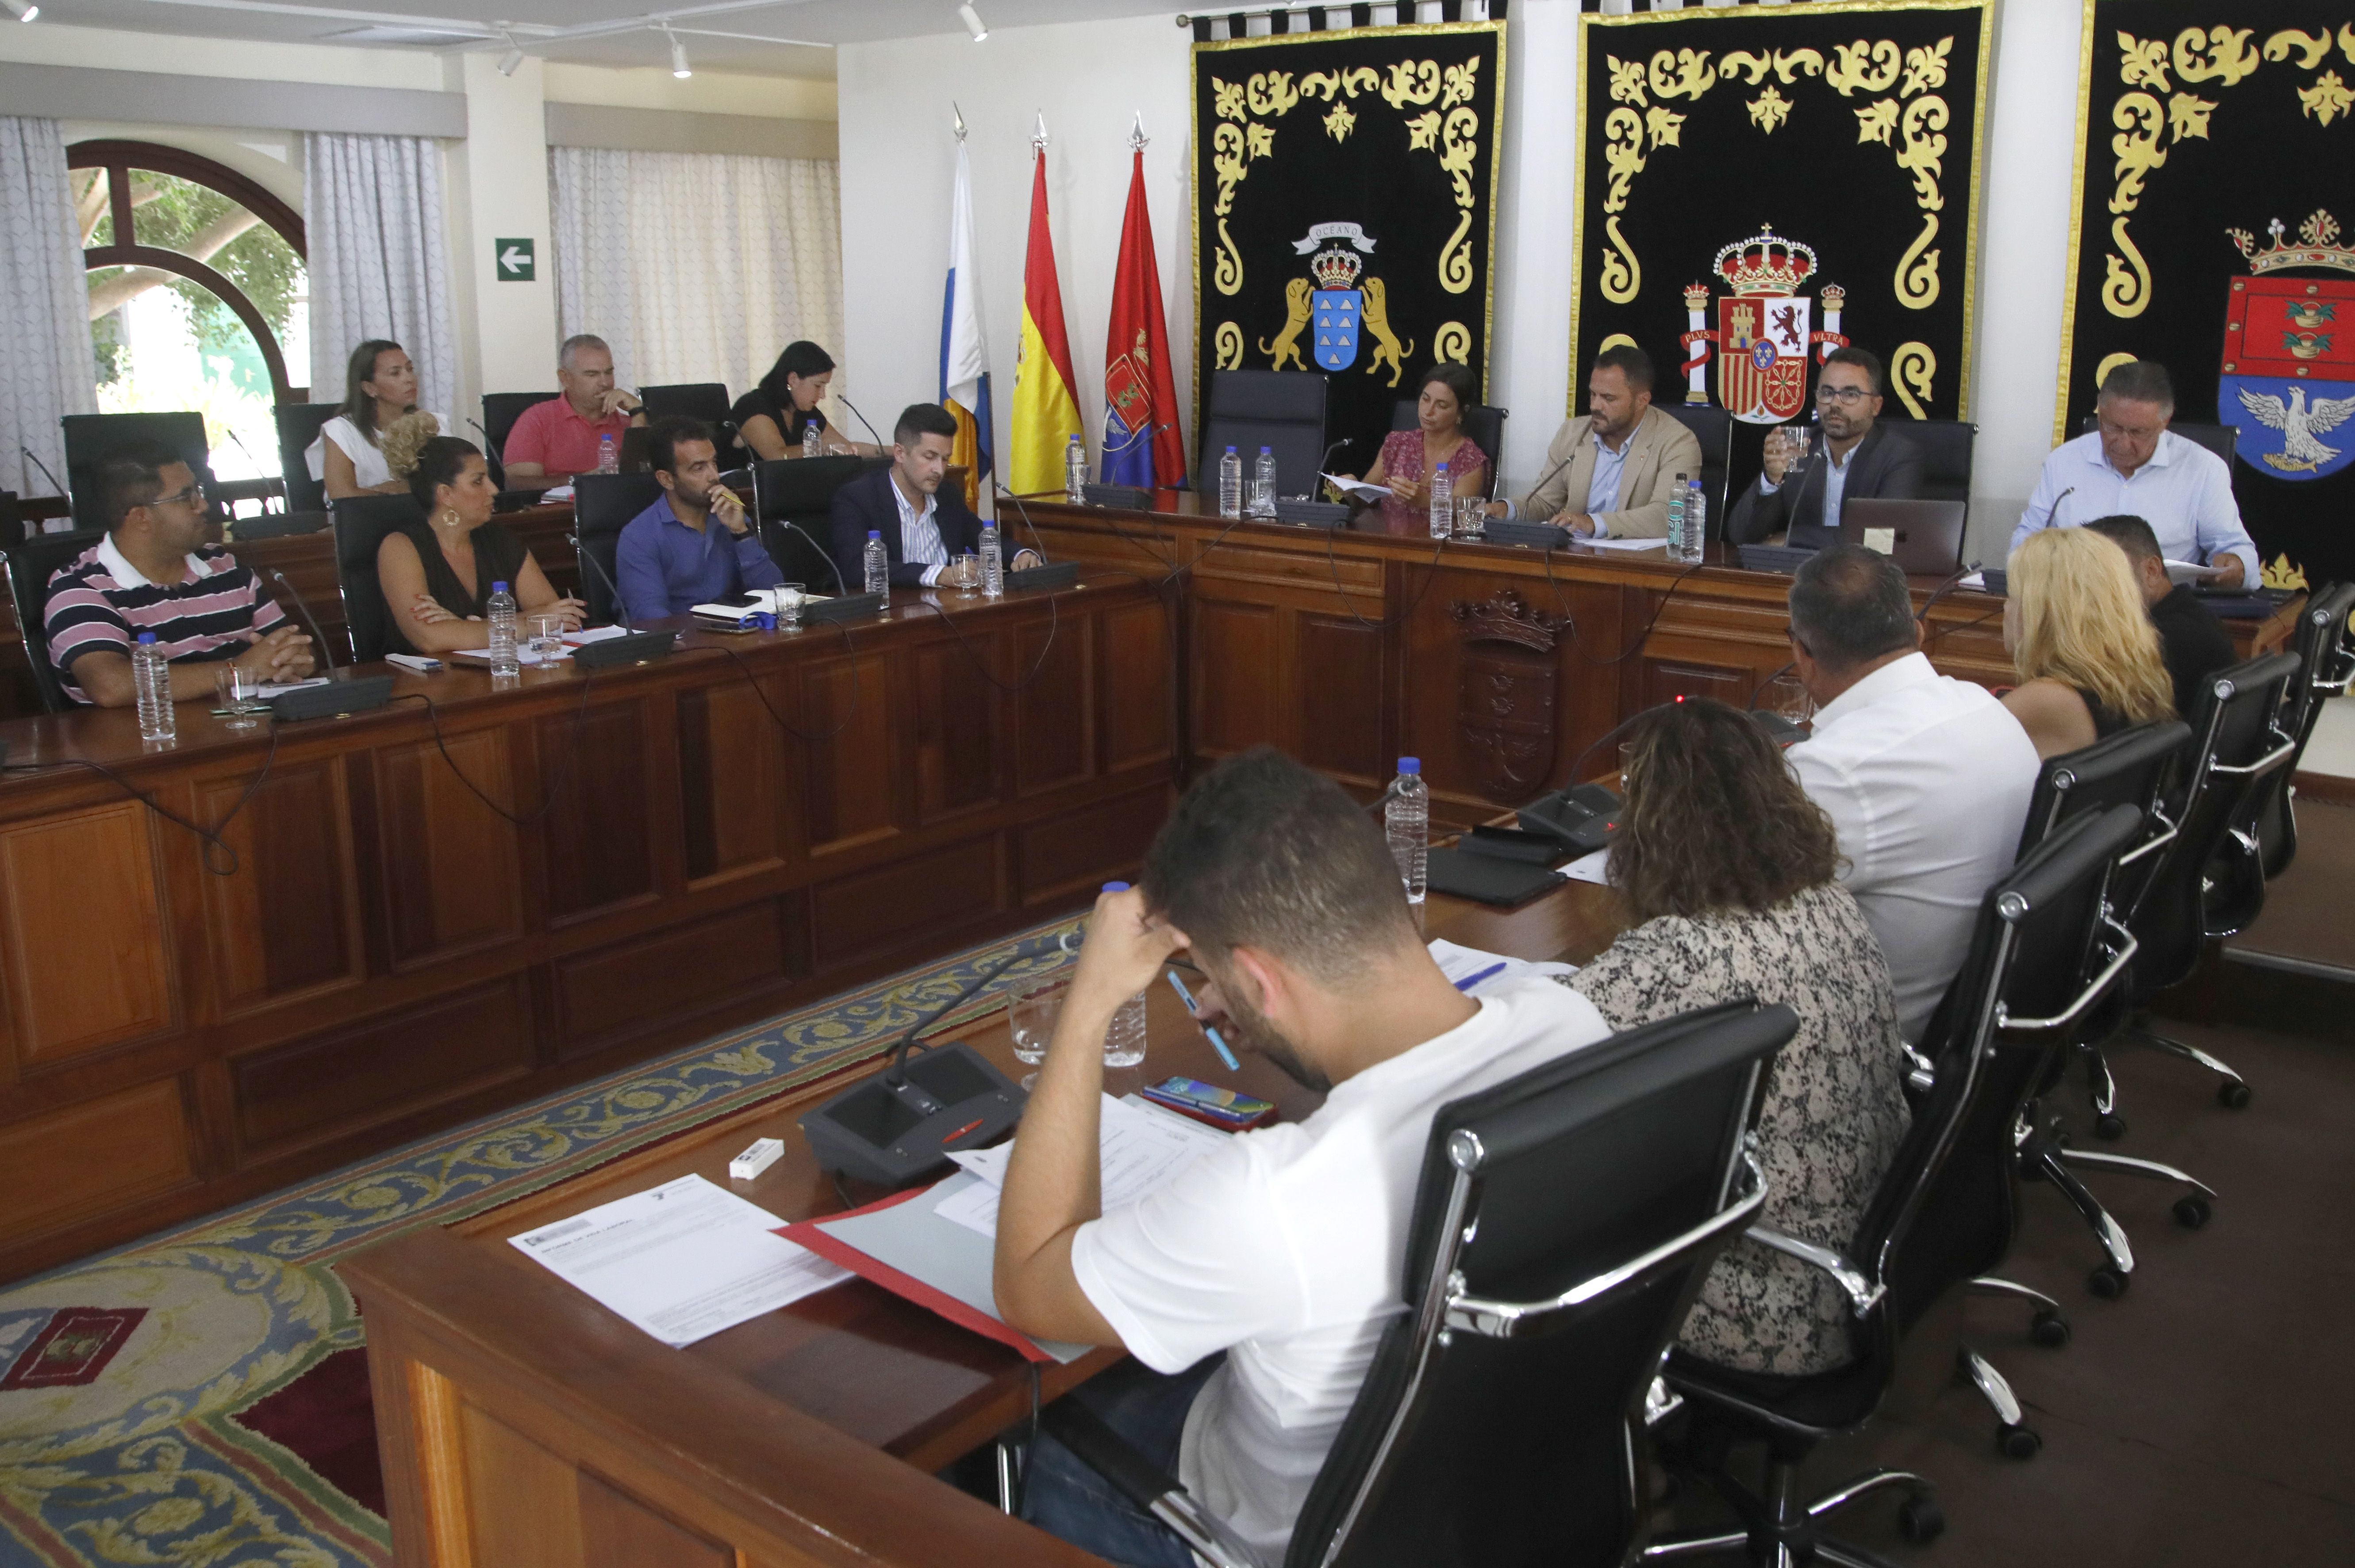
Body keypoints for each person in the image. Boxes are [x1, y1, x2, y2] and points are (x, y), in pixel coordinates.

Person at [993, 747, 1614, 1566]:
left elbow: (1029, 1282)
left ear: (1257, 976)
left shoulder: (1272, 1202)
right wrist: (1273, 1007)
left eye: (1219, 977)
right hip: (1519, 1494)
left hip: (1298, 1541)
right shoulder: (1570, 1024)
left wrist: (1090, 1001)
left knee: (1015, 1442)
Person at [1561, 699, 1909, 1376]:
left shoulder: (1680, 958)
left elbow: (1528, 1055)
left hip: (1763, 1302)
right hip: (1870, 1257)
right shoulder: (1826, 901)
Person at [1784, 544, 2040, 1041]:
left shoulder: (1836, 768)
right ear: (1918, 632)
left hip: (1863, 1047)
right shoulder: (1984, 707)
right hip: (1980, 1023)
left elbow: (1727, 907)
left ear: (1802, 655)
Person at [44, 440, 313, 706]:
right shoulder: (79, 588)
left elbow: (294, 648)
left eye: (199, 490)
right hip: (156, 743)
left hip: (249, 729)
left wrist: (291, 661)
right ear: (141, 518)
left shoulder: (223, 564)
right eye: (188, 498)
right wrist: (237, 671)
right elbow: (110, 687)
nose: (203, 505)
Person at [2012, 360, 2259, 587]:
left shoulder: (2203, 469)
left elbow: (2237, 552)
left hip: (2160, 614)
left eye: (2138, 432)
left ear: (2165, 422)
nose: (2123, 442)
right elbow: (2028, 539)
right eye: (2113, 427)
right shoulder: (2064, 462)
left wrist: (2235, 566)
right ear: (2100, 410)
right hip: (2075, 604)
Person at [379, 436, 581, 656]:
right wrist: (527, 624)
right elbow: (429, 639)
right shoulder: (400, 548)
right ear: (446, 494)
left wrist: (466, 627)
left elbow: (558, 618)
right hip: (429, 683)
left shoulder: (501, 539)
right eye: (478, 481)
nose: (494, 490)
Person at [1482, 345, 1701, 538]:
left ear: (1642, 400)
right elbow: (1544, 503)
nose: (1595, 406)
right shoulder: (1573, 433)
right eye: (1593, 395)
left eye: (1608, 398)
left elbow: (1668, 515)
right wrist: (1505, 509)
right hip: (1578, 560)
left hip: (1642, 568)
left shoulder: (1678, 442)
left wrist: (1593, 523)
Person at [1999, 527, 2177, 759]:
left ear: (2044, 612)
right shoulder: (2131, 681)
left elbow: (1953, 756)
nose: (2005, 607)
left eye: (2013, 595)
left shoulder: (2049, 699)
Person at [1727, 346, 1924, 546]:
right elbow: (1741, 537)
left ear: (1876, 405)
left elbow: (1883, 539)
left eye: (1850, 394)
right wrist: (1771, 479)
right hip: (1796, 574)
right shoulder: (1799, 446)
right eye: (1827, 392)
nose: (1835, 404)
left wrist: (1789, 538)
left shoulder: (1898, 455)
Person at [829, 403, 1025, 590]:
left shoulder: (947, 495)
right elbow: (856, 569)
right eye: (930, 457)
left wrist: (1020, 554)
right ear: (899, 453)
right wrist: (939, 575)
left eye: (946, 459)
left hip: (948, 609)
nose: (939, 470)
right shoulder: (858, 498)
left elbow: (981, 535)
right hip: (893, 614)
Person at [614, 417, 781, 622]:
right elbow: (652, 618)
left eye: (714, 463)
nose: (714, 476)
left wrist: (742, 533)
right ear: (666, 479)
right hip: (681, 644)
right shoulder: (639, 536)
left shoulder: (730, 515)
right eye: (699, 468)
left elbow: (773, 594)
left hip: (733, 635)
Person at [2084, 512, 2237, 722]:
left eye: (2109, 573)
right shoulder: (2194, 614)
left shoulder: (2167, 638)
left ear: (2152, 571)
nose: (2094, 590)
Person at [1329, 361, 1488, 527]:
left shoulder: (1471, 460)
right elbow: (1363, 505)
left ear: (1462, 413)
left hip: (1439, 548)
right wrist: (1352, 491)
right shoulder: (1396, 444)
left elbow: (1464, 514)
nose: (1428, 411)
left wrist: (1425, 501)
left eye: (1441, 405)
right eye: (1425, 399)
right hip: (1386, 543)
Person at [499, 334, 646, 485]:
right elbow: (517, 483)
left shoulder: (631, 424)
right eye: (592, 374)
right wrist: (581, 482)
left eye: (609, 373)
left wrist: (638, 412)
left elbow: (645, 478)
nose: (605, 383)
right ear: (565, 378)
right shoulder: (537, 420)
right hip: (560, 509)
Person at [310, 340, 443, 500]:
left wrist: (404, 488)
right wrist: (395, 493)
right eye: (395, 373)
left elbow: (453, 484)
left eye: (410, 369)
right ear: (369, 388)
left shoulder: (434, 423)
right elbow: (342, 495)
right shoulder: (341, 432)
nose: (409, 379)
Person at [733, 341, 879, 461]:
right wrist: (823, 449)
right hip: (737, 492)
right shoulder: (754, 406)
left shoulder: (807, 413)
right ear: (793, 380)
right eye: (818, 386)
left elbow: (847, 447)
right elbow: (777, 457)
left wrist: (895, 452)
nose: (823, 395)